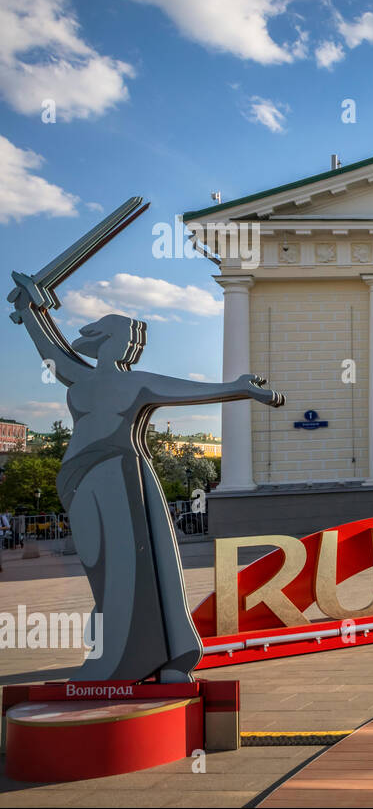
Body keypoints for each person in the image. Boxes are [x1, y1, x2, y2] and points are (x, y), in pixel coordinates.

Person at [11, 282, 284, 682]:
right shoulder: (79, 376)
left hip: (117, 473)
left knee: (126, 561)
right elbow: (49, 350)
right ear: (104, 341)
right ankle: (138, 652)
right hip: (79, 476)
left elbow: (189, 390)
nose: (132, 349)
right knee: (98, 563)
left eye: (135, 343)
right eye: (126, 339)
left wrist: (239, 389)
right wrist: (31, 309)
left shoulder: (136, 383)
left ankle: (132, 659)